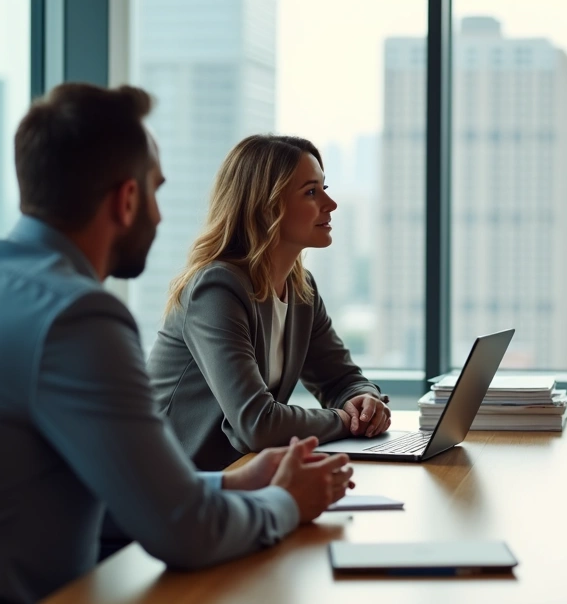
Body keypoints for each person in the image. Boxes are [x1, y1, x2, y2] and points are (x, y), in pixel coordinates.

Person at [0, 84, 353, 603]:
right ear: (127, 199)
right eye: (155, 191)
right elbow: (184, 531)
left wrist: (233, 484)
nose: (160, 214)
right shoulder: (77, 316)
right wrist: (286, 501)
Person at [147, 134, 389, 472]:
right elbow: (257, 424)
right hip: (175, 487)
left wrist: (363, 401)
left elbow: (341, 379)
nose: (330, 204)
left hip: (241, 478)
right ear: (267, 206)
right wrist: (344, 420)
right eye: (311, 192)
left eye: (325, 187)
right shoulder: (216, 289)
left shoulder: (300, 289)